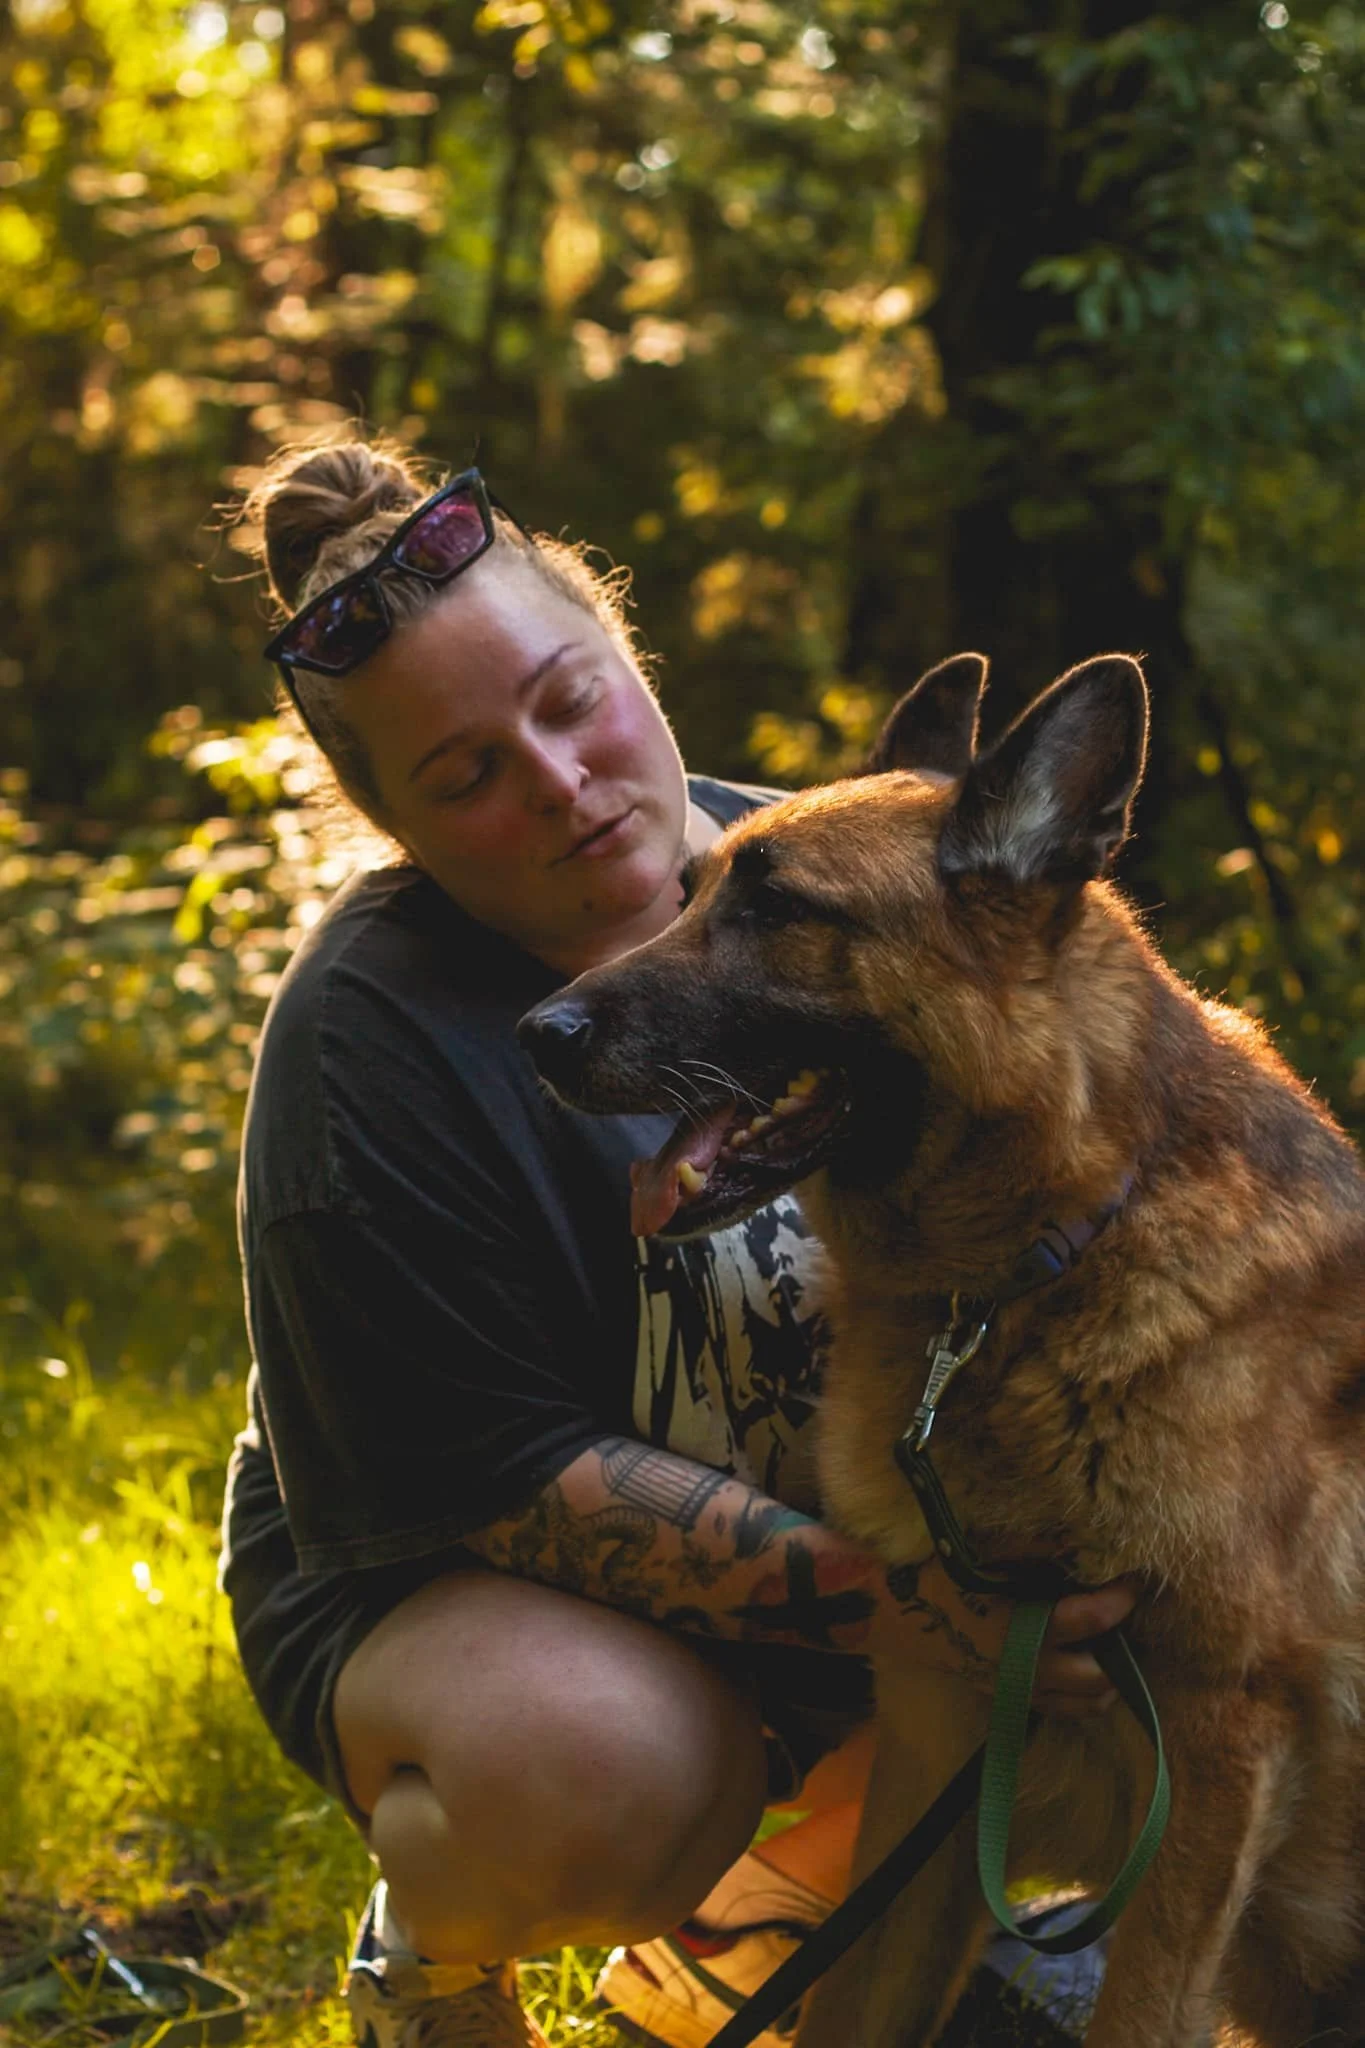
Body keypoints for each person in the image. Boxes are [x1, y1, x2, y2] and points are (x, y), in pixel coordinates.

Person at [219, 437, 1134, 2048]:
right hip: (475, 1598)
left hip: (861, 1564)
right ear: (397, 830)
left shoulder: (826, 870)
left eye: (570, 702)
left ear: (630, 656)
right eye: (466, 776)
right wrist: (946, 1617)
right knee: (608, 1769)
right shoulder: (367, 1046)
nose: (561, 788)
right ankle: (430, 1955)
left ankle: (759, 1930)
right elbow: (507, 1483)